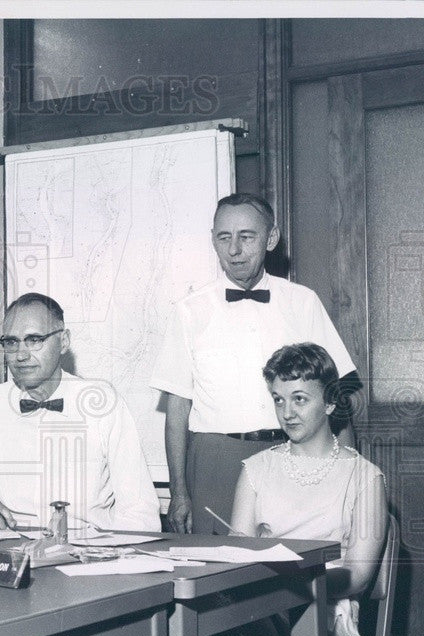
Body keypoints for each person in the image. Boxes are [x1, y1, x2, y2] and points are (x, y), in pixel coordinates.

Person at [214, 342, 387, 636]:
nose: (287, 412)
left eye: (300, 399)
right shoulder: (255, 469)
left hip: (323, 611)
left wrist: (293, 578)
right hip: (260, 610)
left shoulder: (364, 477)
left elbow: (361, 574)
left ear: (329, 401)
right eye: (278, 399)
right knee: (246, 627)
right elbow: (238, 556)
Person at [150, 193, 358, 536]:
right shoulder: (189, 311)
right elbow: (177, 412)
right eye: (223, 237)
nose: (234, 250)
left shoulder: (303, 302)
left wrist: (349, 478)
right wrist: (179, 492)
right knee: (218, 574)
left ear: (271, 239)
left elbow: (336, 399)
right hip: (215, 461)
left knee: (292, 571)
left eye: (246, 237)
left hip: (294, 454)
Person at [0, 293, 161, 532]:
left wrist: (115, 557)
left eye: (34, 340)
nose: (21, 355)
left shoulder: (103, 402)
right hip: (11, 547)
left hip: (89, 548)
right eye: (11, 342)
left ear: (63, 341)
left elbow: (139, 508)